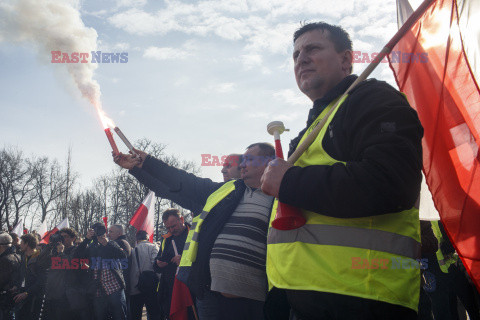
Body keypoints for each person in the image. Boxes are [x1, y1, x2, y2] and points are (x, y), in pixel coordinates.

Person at [260, 22, 424, 319]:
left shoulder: (374, 100)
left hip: (361, 297)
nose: (301, 59)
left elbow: (391, 182)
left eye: (312, 49)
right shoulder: (319, 121)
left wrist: (291, 180)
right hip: (298, 294)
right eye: (295, 55)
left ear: (347, 60)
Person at [114, 142, 275, 320]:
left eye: (231, 165)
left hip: (253, 299)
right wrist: (142, 165)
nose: (223, 170)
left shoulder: (278, 198)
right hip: (207, 290)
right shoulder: (223, 192)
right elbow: (180, 182)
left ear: (269, 162)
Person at [76, 222, 128, 320]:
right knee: (100, 316)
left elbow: (123, 256)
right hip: (98, 290)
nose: (100, 233)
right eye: (96, 231)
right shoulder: (91, 247)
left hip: (114, 287)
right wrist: (87, 239)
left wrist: (106, 244)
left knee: (119, 316)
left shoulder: (112, 243)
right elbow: (77, 255)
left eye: (101, 230)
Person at [153, 209, 189, 318]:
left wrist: (183, 260)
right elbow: (156, 263)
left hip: (188, 289)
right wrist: (158, 264)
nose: (171, 230)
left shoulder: (193, 234)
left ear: (181, 219)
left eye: (173, 226)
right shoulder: (167, 239)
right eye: (168, 228)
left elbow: (202, 259)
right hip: (169, 290)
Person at [14, 233, 50, 320]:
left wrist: (27, 293)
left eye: (22, 242)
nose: (20, 244)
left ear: (27, 244)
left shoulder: (40, 258)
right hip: (23, 296)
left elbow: (42, 281)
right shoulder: (22, 257)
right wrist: (16, 286)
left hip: (35, 298)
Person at [130, 230, 161, 320]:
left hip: (135, 287)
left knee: (135, 315)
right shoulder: (153, 247)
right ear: (147, 238)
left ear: (137, 239)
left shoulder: (132, 250)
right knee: (154, 313)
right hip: (150, 286)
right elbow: (156, 266)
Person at [0, 232, 21, 320]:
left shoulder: (4, 260)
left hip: (4, 298)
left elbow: (2, 280)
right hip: (13, 297)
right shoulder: (18, 256)